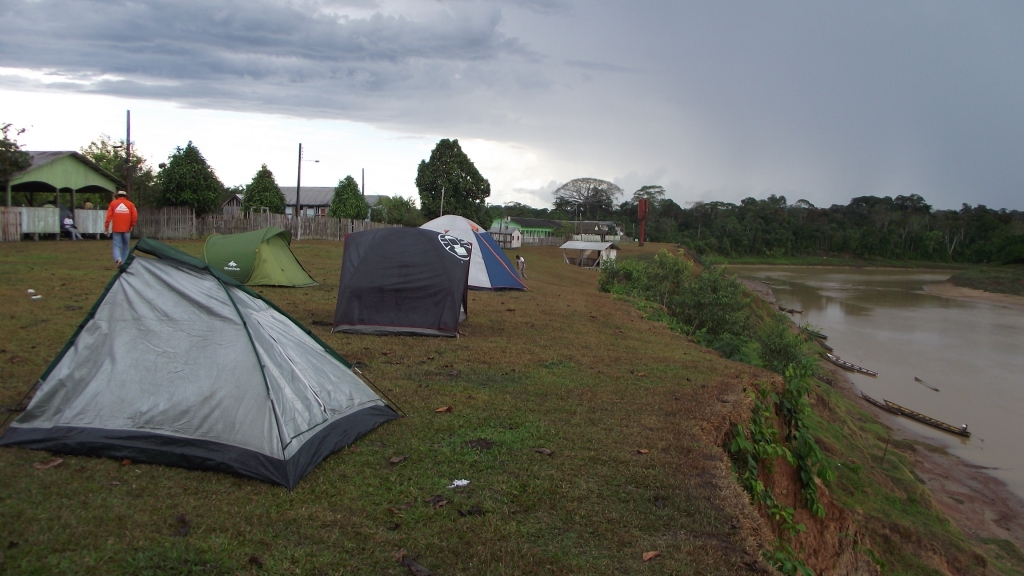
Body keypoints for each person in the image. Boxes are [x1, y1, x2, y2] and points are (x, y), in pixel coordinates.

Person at [104, 190, 138, 266]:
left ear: (117, 196)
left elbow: (108, 217)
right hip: (127, 229)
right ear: (126, 196)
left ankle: (118, 259)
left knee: (116, 245)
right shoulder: (130, 204)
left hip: (116, 228)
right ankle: (124, 262)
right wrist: (131, 225)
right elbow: (134, 216)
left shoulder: (113, 203)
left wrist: (106, 228)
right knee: (126, 246)